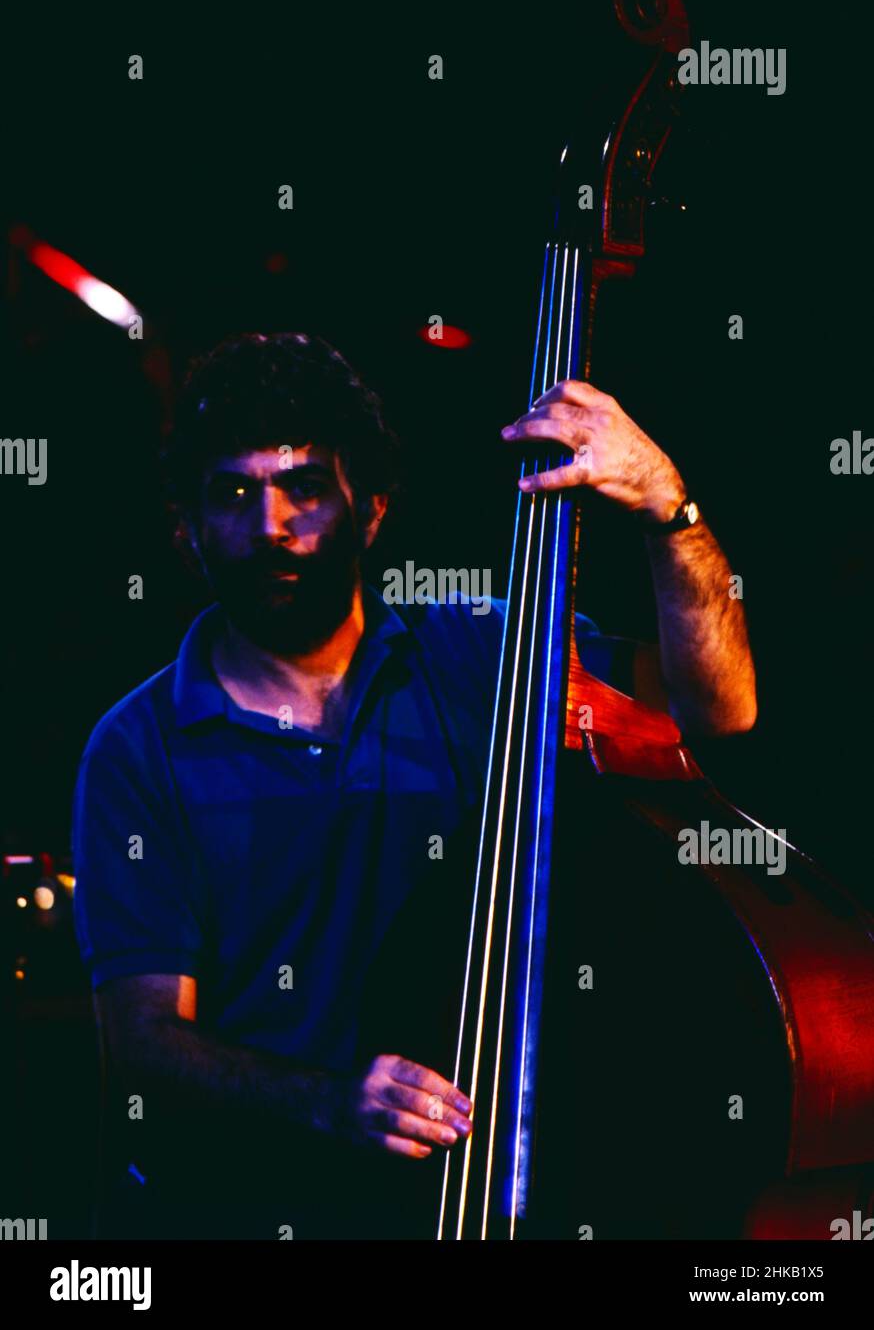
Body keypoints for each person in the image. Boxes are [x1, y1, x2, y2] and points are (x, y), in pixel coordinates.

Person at [72, 331, 756, 1239]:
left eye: (305, 489)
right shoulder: (134, 746)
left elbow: (720, 708)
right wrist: (330, 1102)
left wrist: (669, 506)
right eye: (234, 495)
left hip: (490, 1188)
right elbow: (145, 1043)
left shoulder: (482, 654)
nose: (271, 525)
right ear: (186, 533)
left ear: (374, 510)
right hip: (247, 1210)